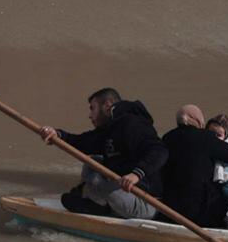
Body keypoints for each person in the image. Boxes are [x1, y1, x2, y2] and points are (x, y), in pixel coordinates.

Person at [38, 88, 168, 220]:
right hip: (123, 196)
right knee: (93, 161)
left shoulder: (133, 123)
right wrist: (57, 135)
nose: (90, 115)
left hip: (145, 203)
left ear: (107, 105)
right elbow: (82, 141)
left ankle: (97, 203)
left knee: (93, 178)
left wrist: (136, 174)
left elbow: (159, 150)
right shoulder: (110, 129)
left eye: (92, 108)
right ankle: (96, 203)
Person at [161, 105, 228, 228]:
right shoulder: (205, 137)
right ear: (196, 120)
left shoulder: (167, 138)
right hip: (201, 211)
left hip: (170, 207)